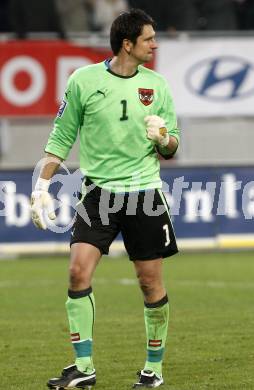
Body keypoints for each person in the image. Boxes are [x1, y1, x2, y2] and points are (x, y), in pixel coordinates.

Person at [31, 8, 180, 389]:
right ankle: (83, 368)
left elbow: (172, 147)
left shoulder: (157, 85)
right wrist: (40, 186)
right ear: (127, 44)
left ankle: (154, 369)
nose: (155, 44)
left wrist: (163, 138)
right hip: (98, 194)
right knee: (77, 272)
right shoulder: (83, 80)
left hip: (144, 195)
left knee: (150, 284)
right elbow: (59, 140)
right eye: (148, 38)